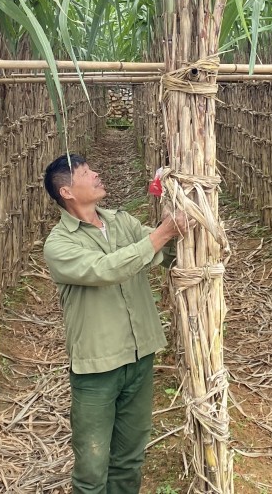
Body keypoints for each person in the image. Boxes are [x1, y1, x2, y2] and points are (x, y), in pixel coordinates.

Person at [42, 153, 192, 494]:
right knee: (92, 469)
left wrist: (183, 224)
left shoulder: (121, 222)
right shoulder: (60, 244)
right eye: (86, 172)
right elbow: (106, 269)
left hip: (140, 356)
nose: (96, 173)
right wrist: (161, 235)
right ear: (66, 192)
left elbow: (157, 252)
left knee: (129, 458)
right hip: (98, 366)